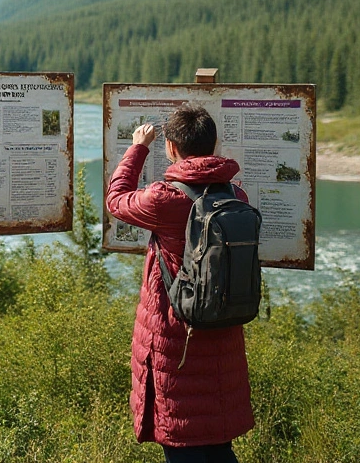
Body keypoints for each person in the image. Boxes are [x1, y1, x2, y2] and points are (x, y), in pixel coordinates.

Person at [105, 105, 254, 463]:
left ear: (171, 148)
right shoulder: (237, 197)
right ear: (215, 144)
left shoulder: (163, 199)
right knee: (218, 443)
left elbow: (116, 199)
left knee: (182, 442)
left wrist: (138, 147)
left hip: (176, 341)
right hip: (222, 334)